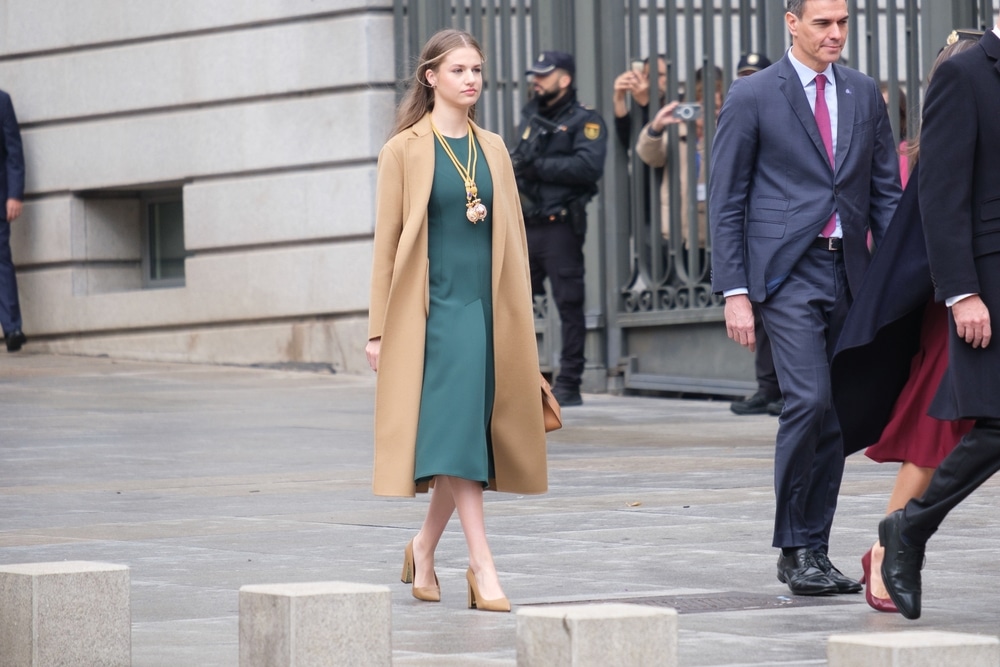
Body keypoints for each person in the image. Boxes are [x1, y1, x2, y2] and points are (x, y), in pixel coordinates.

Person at [709, 0, 901, 596]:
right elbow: (727, 198)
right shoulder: (753, 95)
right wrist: (735, 291)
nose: (835, 34)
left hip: (854, 273)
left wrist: (905, 279)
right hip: (787, 273)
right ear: (791, 22)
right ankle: (794, 550)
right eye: (823, 23)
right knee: (808, 401)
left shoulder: (865, 93)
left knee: (839, 414)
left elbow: (886, 195)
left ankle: (814, 550)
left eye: (842, 22)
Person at [365, 28, 547, 613]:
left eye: (477, 70)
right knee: (459, 436)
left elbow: (513, 238)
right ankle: (482, 565)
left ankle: (423, 547)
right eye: (459, 70)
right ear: (431, 77)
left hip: (487, 308)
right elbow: (386, 246)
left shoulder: (492, 147)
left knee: (458, 438)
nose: (471, 79)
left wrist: (523, 319)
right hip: (432, 313)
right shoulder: (402, 150)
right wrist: (377, 329)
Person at [831, 35, 979, 614]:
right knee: (936, 430)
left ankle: (893, 543)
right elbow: (937, 224)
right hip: (961, 305)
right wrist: (962, 293)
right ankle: (885, 546)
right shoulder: (960, 104)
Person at [878, 17, 1000, 621]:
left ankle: (910, 529)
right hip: (990, 285)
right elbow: (941, 193)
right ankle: (909, 529)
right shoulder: (966, 74)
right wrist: (960, 293)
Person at [511, 50, 608, 407]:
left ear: (564, 79)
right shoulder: (531, 116)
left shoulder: (587, 120)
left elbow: (587, 167)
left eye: (544, 75)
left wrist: (538, 166)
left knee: (569, 304)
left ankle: (569, 382)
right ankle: (518, 377)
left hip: (561, 227)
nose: (536, 81)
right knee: (513, 304)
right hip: (527, 224)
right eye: (534, 74)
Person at [726, 53, 784, 418]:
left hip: (785, 231)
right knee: (759, 310)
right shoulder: (739, 106)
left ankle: (786, 389)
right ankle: (768, 386)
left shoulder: (780, 107)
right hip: (751, 228)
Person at [635, 66, 722, 260]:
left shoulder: (725, 132)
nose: (706, 113)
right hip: (678, 229)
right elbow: (650, 156)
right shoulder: (678, 132)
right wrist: (656, 126)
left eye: (715, 108)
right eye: (701, 105)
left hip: (716, 232)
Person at [0, 87, 26, 353]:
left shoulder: (2, 100)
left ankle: (12, 329)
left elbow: (13, 152)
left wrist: (14, 194)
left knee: (1, 263)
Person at [612, 55, 667, 148]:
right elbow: (630, 142)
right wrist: (619, 99)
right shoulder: (638, 105)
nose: (652, 80)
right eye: (648, 75)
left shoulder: (681, 103)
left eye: (659, 75)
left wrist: (646, 105)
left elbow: (662, 146)